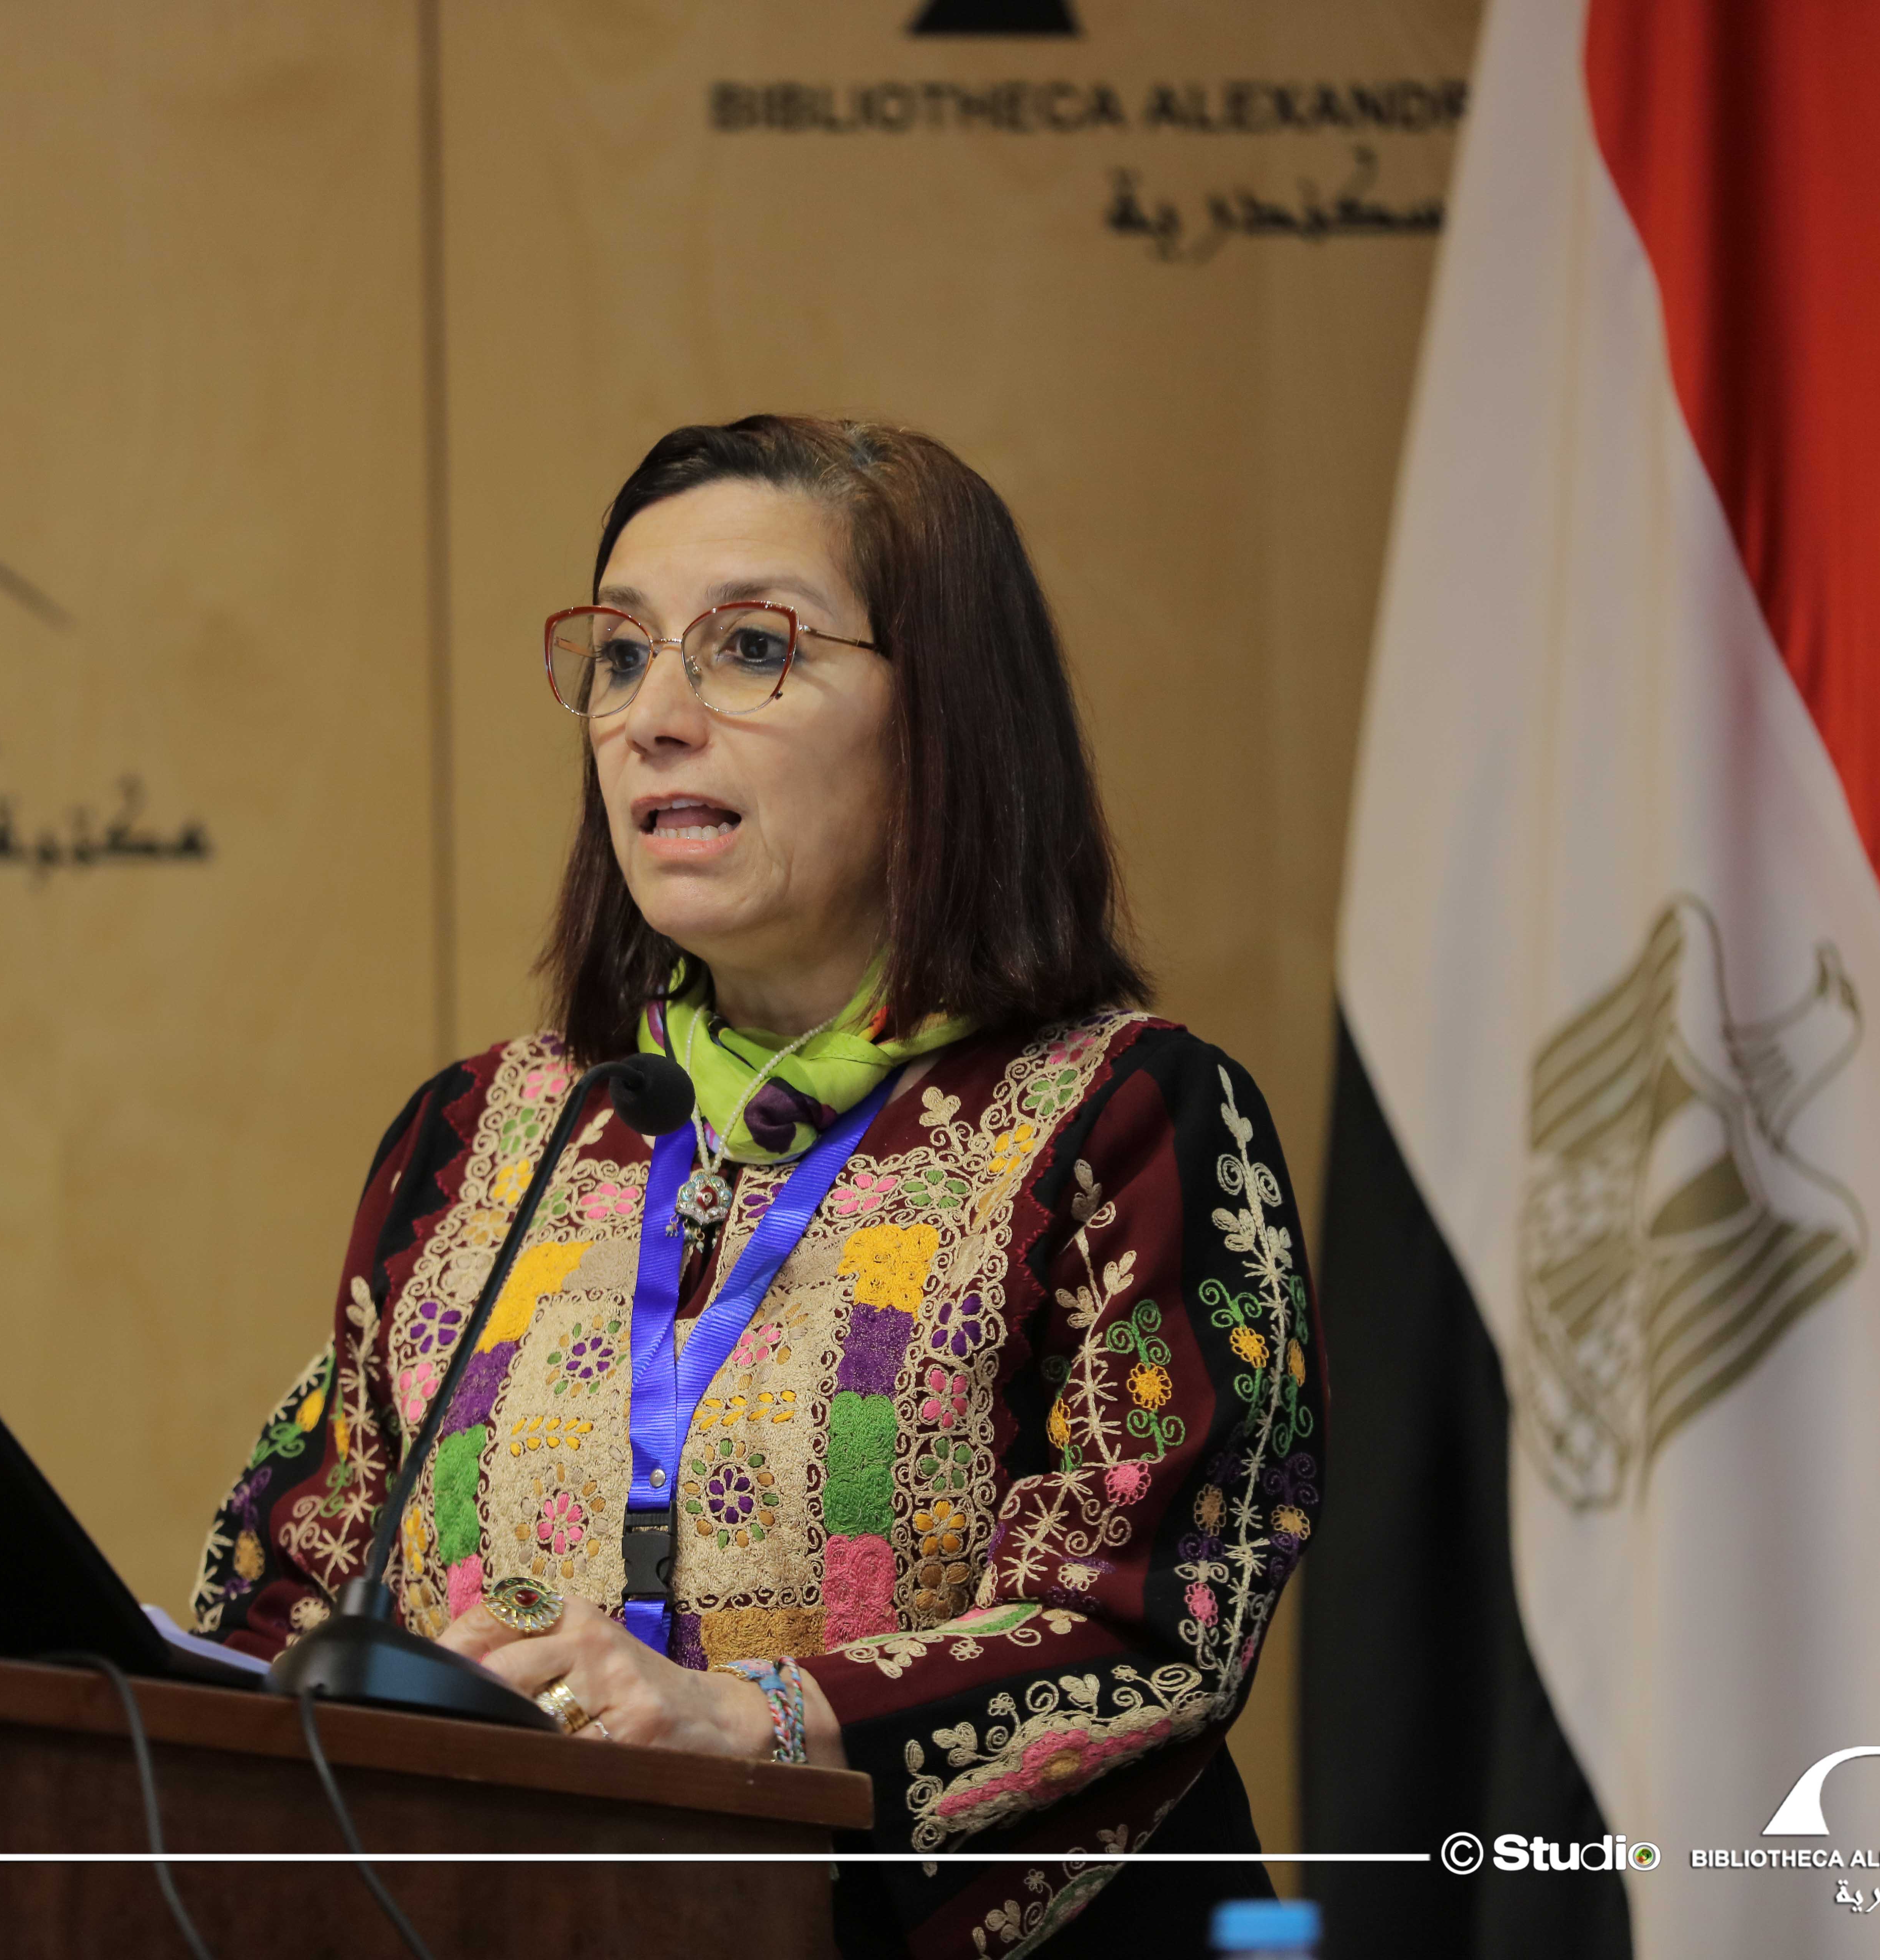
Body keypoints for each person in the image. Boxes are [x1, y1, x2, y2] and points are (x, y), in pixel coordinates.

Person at [192, 415, 1323, 1957]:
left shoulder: (1125, 1120)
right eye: (621, 655)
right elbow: (295, 1581)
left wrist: (759, 1724)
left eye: (747, 648)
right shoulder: (486, 1136)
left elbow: (1153, 1619)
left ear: (947, 719)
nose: (652, 719)